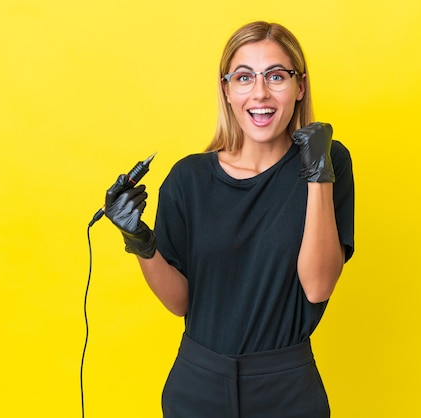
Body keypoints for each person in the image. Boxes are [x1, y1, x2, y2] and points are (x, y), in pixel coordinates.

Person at [104, 21, 354, 418]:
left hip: (286, 388)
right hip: (197, 384)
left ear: (300, 86)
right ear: (226, 90)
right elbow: (180, 302)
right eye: (243, 77)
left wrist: (318, 174)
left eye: (276, 76)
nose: (260, 92)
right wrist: (139, 240)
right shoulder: (188, 179)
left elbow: (318, 286)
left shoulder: (328, 160)